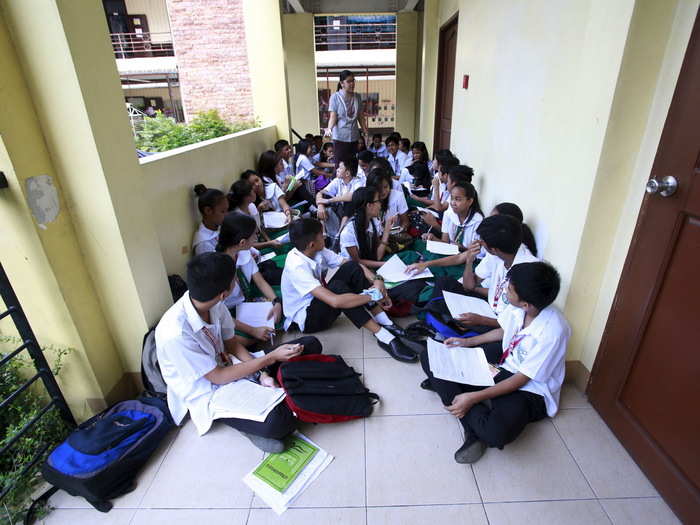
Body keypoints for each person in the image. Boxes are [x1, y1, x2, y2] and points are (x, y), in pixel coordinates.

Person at [155, 251, 323, 453]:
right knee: (280, 421)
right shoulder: (175, 333)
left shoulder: (215, 304)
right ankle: (252, 423)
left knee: (309, 344)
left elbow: (232, 345)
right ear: (224, 293)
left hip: (231, 364)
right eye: (234, 279)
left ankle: (270, 398)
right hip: (210, 390)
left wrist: (262, 374)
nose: (236, 281)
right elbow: (217, 377)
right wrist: (269, 358)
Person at [419, 261, 570, 463]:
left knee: (496, 434)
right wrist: (467, 342)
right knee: (430, 354)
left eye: (509, 289)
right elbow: (504, 330)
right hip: (504, 366)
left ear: (526, 303)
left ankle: (454, 393)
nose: (505, 291)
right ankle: (469, 424)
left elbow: (521, 380)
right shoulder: (521, 308)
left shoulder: (554, 331)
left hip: (530, 390)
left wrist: (473, 398)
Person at [281, 218, 418, 362]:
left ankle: (385, 322)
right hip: (307, 319)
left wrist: (377, 279)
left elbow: (350, 264)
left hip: (318, 301)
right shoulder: (296, 267)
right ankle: (384, 336)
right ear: (312, 244)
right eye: (322, 235)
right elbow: (335, 301)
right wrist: (373, 295)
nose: (325, 236)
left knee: (352, 268)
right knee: (337, 289)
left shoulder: (315, 250)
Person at [215, 213, 284, 345]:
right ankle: (258, 336)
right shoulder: (217, 267)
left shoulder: (244, 252)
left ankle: (263, 332)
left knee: (285, 299)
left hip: (247, 300)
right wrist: (253, 331)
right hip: (228, 313)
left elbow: (260, 282)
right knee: (233, 338)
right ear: (242, 242)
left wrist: (276, 302)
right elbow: (218, 313)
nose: (256, 238)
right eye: (254, 235)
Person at [324, 70, 367, 167]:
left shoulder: (357, 97)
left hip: (354, 137)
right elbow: (333, 116)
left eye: (353, 81)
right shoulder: (335, 97)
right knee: (340, 165)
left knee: (352, 165)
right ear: (342, 83)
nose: (352, 84)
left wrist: (365, 130)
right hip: (340, 138)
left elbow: (360, 115)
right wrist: (329, 129)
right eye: (349, 81)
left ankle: (351, 182)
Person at [228, 179, 282, 252]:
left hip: (261, 241)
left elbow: (258, 228)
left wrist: (269, 240)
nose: (255, 193)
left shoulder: (251, 206)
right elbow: (248, 245)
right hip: (250, 250)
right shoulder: (238, 218)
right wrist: (269, 243)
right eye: (252, 191)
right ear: (246, 197)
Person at [316, 157, 364, 239]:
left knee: (350, 202)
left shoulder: (358, 181)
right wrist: (320, 205)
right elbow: (320, 193)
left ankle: (339, 233)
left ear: (347, 173)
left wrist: (329, 200)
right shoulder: (337, 180)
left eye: (340, 168)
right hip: (339, 210)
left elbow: (351, 196)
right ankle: (324, 233)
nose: (337, 169)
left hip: (352, 212)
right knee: (323, 198)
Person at [256, 151, 296, 220]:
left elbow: (282, 200)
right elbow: (280, 201)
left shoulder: (276, 177)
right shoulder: (267, 183)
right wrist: (287, 186)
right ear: (272, 166)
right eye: (280, 163)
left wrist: (292, 187)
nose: (283, 164)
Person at [192, 184, 228, 256]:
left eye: (227, 210)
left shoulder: (220, 227)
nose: (227, 215)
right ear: (208, 211)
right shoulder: (203, 244)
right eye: (223, 211)